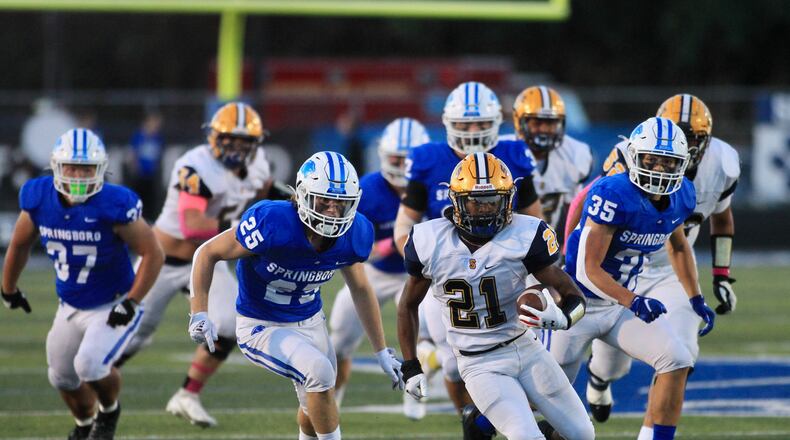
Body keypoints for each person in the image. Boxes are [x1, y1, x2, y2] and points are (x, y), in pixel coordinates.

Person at [188, 151, 404, 440]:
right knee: (319, 372)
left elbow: (362, 288)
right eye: (324, 201)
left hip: (311, 321)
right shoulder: (273, 222)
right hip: (261, 324)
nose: (331, 211)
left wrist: (380, 350)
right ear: (303, 195)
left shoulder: (355, 233)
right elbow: (208, 252)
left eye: (340, 204)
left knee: (312, 405)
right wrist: (200, 311)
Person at [397, 152, 594, 440]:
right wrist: (411, 364)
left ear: (508, 199)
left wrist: (564, 317)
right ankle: (478, 419)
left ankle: (478, 423)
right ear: (456, 201)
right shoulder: (430, 241)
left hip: (526, 347)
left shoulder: (525, 234)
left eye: (493, 200)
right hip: (479, 361)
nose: (485, 210)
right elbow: (407, 306)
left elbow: (573, 295)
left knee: (582, 435)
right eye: (476, 202)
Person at [579, 95, 739, 437]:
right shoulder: (624, 161)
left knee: (680, 356)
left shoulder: (721, 165)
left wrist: (718, 278)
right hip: (620, 271)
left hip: (672, 271)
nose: (689, 144)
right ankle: (598, 377)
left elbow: (714, 223)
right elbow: (588, 216)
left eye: (693, 136)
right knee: (612, 366)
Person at [552, 117, 716, 440]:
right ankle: (482, 423)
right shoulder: (613, 192)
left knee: (677, 359)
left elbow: (679, 245)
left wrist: (696, 298)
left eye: (668, 162)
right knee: (543, 396)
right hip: (576, 304)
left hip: (618, 305)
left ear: (682, 165)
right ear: (634, 156)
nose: (658, 169)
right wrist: (634, 300)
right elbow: (587, 269)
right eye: (651, 160)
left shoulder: (683, 195)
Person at [393, 81, 543, 426]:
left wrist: (535, 274)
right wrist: (428, 259)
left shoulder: (516, 156)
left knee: (527, 351)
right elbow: (405, 226)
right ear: (448, 124)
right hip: (447, 276)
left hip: (508, 273)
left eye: (480, 124)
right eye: (464, 124)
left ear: (496, 123)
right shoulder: (428, 160)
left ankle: (506, 422)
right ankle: (474, 421)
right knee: (453, 363)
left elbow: (537, 223)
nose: (473, 132)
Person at [114, 102, 273, 427]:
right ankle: (96, 381)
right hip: (161, 260)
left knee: (229, 325)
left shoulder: (260, 166)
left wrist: (260, 216)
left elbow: (262, 195)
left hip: (210, 259)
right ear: (215, 136)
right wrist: (249, 229)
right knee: (129, 334)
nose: (238, 147)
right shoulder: (194, 164)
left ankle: (188, 394)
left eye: (246, 141)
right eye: (231, 139)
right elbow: (193, 224)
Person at [1, 128, 164, 440]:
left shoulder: (114, 203)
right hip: (70, 304)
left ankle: (109, 412)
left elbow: (152, 253)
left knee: (89, 364)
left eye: (86, 168)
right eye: (72, 167)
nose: (78, 175)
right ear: (56, 167)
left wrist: (132, 301)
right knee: (61, 376)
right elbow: (20, 244)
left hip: (112, 303)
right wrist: (8, 288)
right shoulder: (38, 197)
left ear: (100, 169)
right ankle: (84, 424)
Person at [327, 118, 430, 411]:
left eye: (410, 158)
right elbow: (350, 245)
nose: (403, 164)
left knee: (428, 335)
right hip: (375, 272)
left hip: (420, 275)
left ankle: (418, 385)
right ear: (384, 155)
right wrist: (385, 246)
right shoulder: (369, 190)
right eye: (398, 157)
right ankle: (332, 403)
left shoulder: (434, 187)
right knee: (340, 343)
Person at [510, 85, 592, 244]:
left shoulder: (575, 154)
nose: (545, 130)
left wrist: (566, 246)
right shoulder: (501, 152)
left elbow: (572, 208)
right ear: (519, 121)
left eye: (551, 123)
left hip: (552, 240)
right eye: (537, 123)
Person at [127, 112, 165, 219]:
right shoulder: (138, 136)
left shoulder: (158, 138)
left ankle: (150, 219)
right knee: (139, 198)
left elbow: (158, 155)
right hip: (140, 175)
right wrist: (134, 168)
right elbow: (132, 154)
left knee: (151, 200)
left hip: (151, 175)